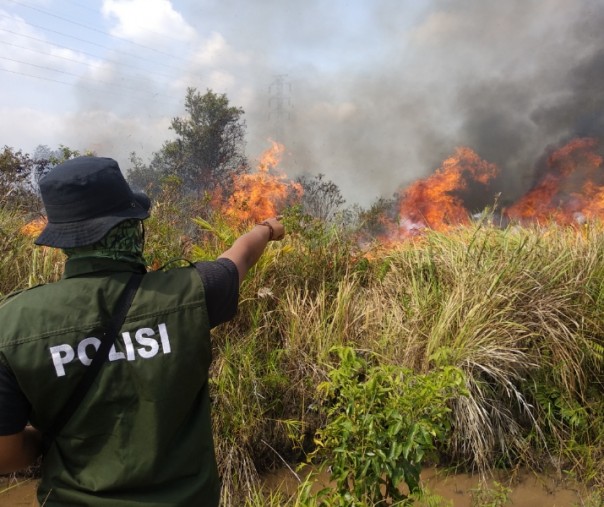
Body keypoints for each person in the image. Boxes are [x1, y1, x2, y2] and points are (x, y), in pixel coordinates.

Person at [0, 156, 284, 506]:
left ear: (64, 240)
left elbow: (5, 454)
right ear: (131, 227)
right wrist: (267, 230)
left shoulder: (11, 324)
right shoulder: (191, 291)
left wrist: (45, 440)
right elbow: (238, 258)